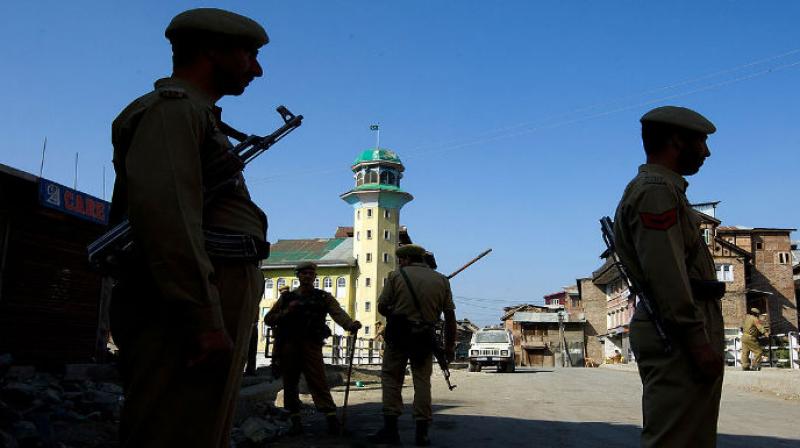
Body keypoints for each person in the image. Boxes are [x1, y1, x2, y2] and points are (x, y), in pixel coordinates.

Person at [107, 8, 270, 447]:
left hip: (211, 298)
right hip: (187, 308)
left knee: (200, 426)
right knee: (171, 429)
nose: (257, 69)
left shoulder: (197, 116)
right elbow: (168, 219)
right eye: (248, 54)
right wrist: (202, 317)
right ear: (211, 51)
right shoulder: (171, 113)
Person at [613, 106, 726, 447]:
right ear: (677, 141)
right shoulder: (656, 191)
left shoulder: (665, 190)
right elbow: (667, 275)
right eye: (701, 142)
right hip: (676, 331)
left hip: (678, 326)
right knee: (676, 438)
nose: (706, 152)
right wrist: (697, 340)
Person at [369, 244, 457, 447]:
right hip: (425, 338)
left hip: (398, 337)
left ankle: (391, 431)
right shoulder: (441, 280)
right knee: (422, 382)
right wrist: (449, 347)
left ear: (405, 259)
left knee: (391, 379)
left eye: (401, 260)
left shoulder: (395, 277)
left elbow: (382, 306)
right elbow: (450, 317)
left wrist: (398, 310)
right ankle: (422, 433)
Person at [264, 262, 361, 436]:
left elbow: (337, 313)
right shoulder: (287, 298)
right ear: (298, 276)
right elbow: (269, 319)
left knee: (318, 381)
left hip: (311, 345)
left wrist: (350, 324)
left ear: (315, 277)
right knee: (290, 384)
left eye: (311, 273)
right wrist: (287, 312)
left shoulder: (323, 297)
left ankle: (331, 420)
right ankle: (295, 422)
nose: (308, 276)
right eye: (304, 273)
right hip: (289, 346)